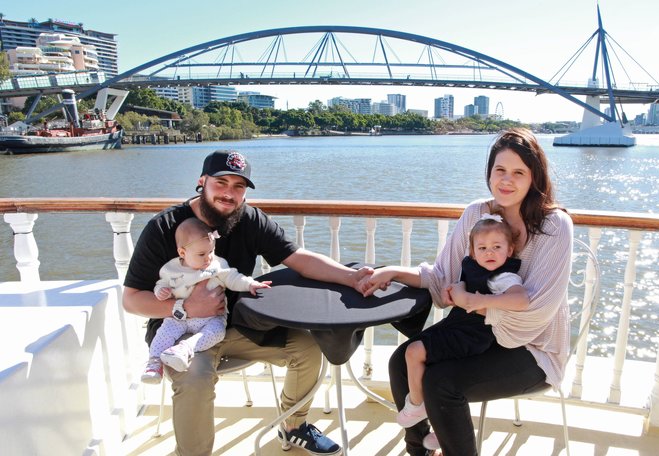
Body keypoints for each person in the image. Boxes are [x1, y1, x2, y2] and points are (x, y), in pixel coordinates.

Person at [123, 150, 373, 456]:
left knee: (307, 347)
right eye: (221, 183)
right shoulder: (164, 228)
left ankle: (293, 426)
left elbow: (298, 258)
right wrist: (184, 308)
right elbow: (132, 300)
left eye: (238, 186)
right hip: (179, 332)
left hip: (235, 326)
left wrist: (351, 277)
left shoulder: (250, 219)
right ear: (202, 182)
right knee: (195, 378)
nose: (229, 194)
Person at [362, 128, 573, 456]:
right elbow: (443, 276)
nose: (506, 180)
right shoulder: (478, 214)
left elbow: (539, 310)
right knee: (401, 362)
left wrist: (473, 302)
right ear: (489, 172)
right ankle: (420, 450)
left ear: (535, 177)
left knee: (441, 383)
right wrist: (392, 272)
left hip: (533, 348)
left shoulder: (554, 225)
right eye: (500, 170)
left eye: (518, 172)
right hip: (479, 333)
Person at [384, 213, 527, 429]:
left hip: (473, 335)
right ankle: (435, 420)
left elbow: (521, 299)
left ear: (509, 250)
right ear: (473, 252)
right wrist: (454, 289)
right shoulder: (472, 267)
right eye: (482, 248)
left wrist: (480, 300)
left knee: (414, 352)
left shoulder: (504, 277)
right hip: (456, 326)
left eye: (497, 247)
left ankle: (417, 406)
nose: (489, 252)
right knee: (408, 355)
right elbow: (451, 284)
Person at [141, 217, 272, 384]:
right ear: (182, 253)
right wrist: (161, 291)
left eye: (211, 251)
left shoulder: (216, 266)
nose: (208, 258)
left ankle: (184, 349)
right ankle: (154, 364)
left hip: (211, 318)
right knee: (164, 332)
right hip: (179, 317)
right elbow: (161, 283)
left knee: (217, 332)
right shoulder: (171, 269)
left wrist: (250, 284)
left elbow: (233, 277)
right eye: (201, 254)